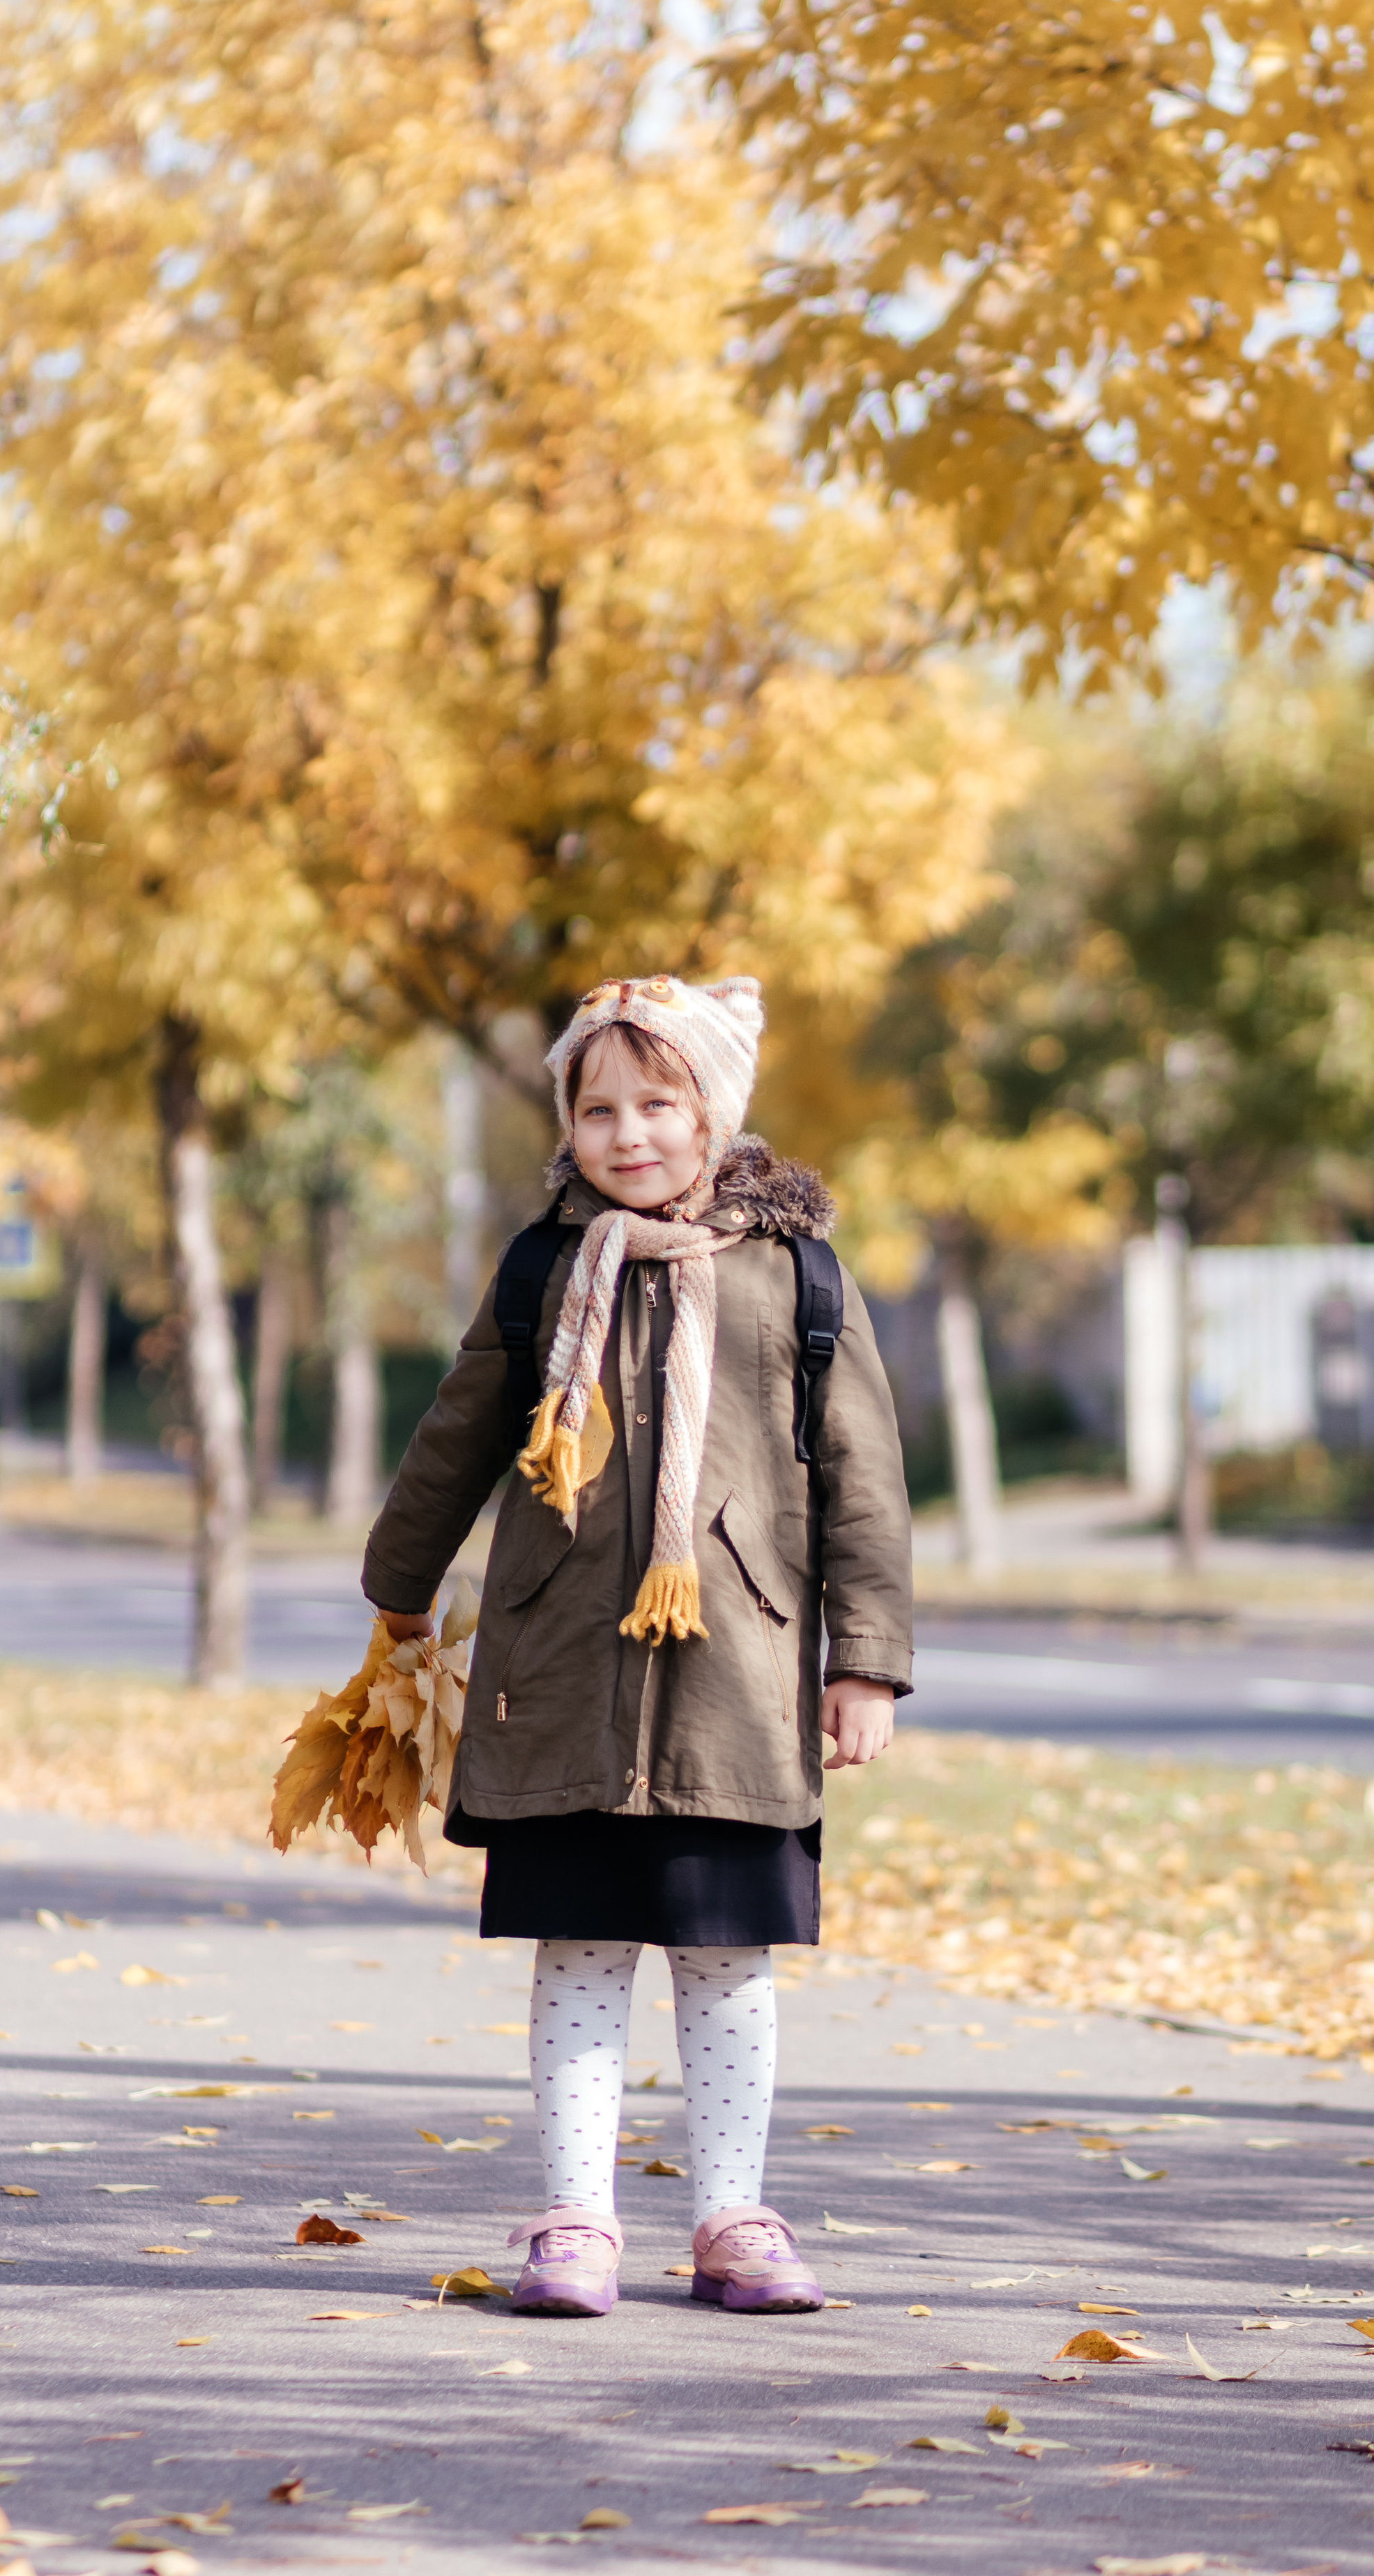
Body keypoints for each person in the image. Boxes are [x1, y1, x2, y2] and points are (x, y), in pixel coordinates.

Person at [361, 973, 912, 2317]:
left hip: (740, 1681)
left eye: (659, 1103)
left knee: (728, 1965)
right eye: (597, 1108)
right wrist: (401, 1586)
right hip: (560, 1681)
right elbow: (460, 1434)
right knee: (581, 1956)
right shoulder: (547, 1267)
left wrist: (866, 1659)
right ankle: (578, 2220)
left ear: (716, 1111)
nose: (629, 1134)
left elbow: (863, 1477)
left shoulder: (797, 1280)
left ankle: (733, 2216)